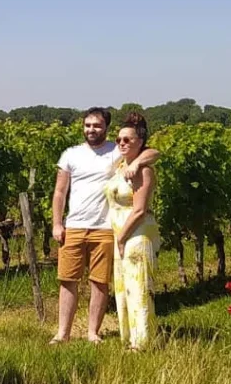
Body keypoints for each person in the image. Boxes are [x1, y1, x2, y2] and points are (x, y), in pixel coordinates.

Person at [50, 107, 158, 343]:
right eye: (87, 125)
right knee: (68, 280)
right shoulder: (70, 154)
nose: (91, 129)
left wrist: (137, 163)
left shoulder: (116, 150)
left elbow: (153, 152)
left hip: (106, 228)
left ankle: (92, 333)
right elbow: (59, 192)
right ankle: (63, 333)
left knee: (99, 282)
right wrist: (57, 223)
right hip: (74, 225)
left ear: (106, 128)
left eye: (97, 125)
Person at [106, 113, 160, 350]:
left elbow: (139, 210)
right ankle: (129, 338)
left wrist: (122, 236)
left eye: (128, 140)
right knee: (123, 288)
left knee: (138, 288)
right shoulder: (120, 167)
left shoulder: (142, 170)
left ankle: (143, 342)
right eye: (119, 140)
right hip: (121, 236)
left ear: (140, 141)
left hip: (135, 234)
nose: (122, 144)